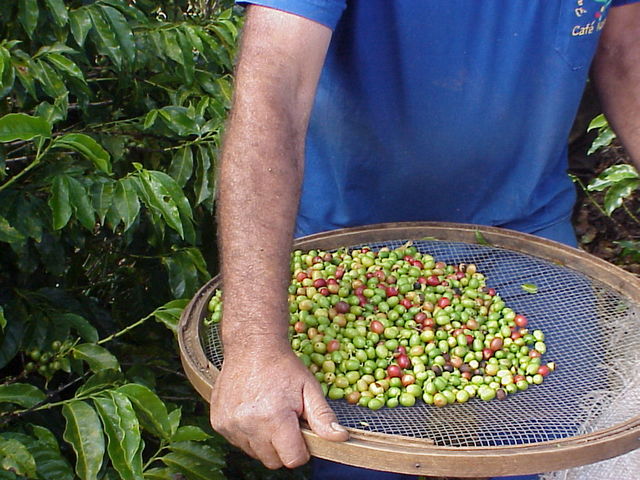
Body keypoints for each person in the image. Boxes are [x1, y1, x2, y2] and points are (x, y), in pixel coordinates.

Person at [208, 1, 640, 479]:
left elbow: (627, 52)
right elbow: (275, 87)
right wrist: (253, 344)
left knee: (539, 449)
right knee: (359, 461)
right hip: (348, 254)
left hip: (529, 234)